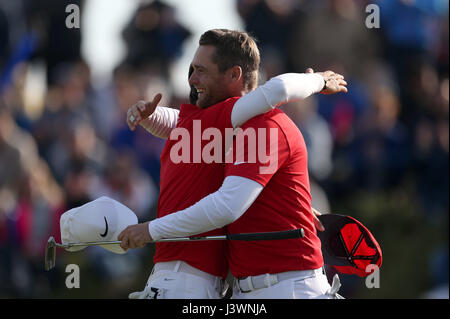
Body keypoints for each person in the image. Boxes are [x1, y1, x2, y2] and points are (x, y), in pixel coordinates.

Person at [118, 29, 347, 299]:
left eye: (201, 70)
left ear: (234, 75)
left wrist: (317, 80)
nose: (191, 79)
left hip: (286, 288)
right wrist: (149, 117)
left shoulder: (264, 126)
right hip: (244, 290)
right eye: (192, 69)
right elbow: (184, 125)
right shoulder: (224, 126)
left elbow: (226, 206)